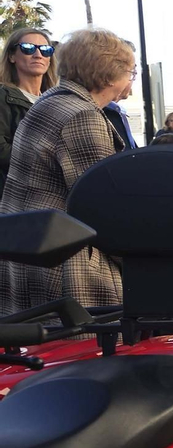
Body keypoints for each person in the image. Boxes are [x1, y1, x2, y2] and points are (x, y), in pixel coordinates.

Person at [0, 27, 131, 314]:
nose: (131, 84)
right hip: (65, 266)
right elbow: (103, 209)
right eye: (130, 73)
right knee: (89, 356)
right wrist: (156, 268)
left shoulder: (52, 101)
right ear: (109, 73)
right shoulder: (82, 115)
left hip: (30, 253)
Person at [0, 28, 57, 197]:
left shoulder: (57, 100)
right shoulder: (3, 96)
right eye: (28, 48)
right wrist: (44, 165)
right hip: (15, 198)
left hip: (52, 197)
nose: (38, 55)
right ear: (11, 56)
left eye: (45, 50)